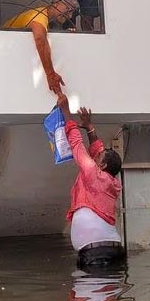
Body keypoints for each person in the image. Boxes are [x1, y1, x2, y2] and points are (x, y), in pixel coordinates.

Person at [57, 93, 126, 268]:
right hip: (111, 250)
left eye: (98, 157)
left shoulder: (93, 173)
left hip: (95, 255)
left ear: (102, 165)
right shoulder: (111, 182)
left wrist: (66, 112)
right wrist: (89, 127)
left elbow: (77, 145)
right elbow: (98, 149)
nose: (94, 156)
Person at [3, 0, 79, 94]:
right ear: (56, 3)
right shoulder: (40, 15)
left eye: (72, 13)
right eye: (68, 9)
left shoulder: (48, 21)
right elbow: (40, 39)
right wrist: (51, 74)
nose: (69, 16)